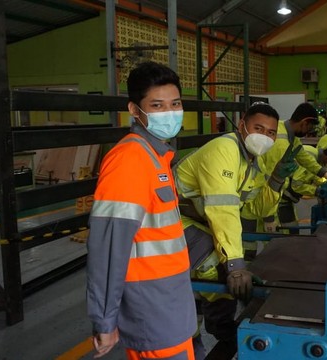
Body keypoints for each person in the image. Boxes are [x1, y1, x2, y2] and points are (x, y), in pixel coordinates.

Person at [86, 61, 196, 359]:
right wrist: (105, 320)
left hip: (171, 304)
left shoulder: (157, 156)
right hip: (152, 310)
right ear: (135, 110)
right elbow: (108, 247)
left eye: (175, 103)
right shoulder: (130, 160)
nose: (169, 112)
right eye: (157, 105)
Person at [173, 102, 291, 360]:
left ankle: (207, 316)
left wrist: (277, 179)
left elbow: (253, 210)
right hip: (168, 219)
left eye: (270, 132)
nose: (264, 136)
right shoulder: (224, 149)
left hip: (195, 221)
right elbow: (223, 209)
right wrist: (236, 265)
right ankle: (222, 327)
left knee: (218, 258)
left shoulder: (252, 162)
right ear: (242, 126)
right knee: (215, 260)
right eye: (258, 128)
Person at [243, 102, 327, 233]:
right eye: (309, 128)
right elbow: (270, 180)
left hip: (276, 197)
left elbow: (304, 158)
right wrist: (268, 217)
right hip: (263, 199)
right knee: (269, 241)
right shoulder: (280, 144)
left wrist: (326, 174)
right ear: (304, 122)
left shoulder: (287, 133)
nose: (308, 132)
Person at [277, 143, 327, 234]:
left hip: (283, 195)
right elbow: (297, 185)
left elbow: (312, 175)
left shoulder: (313, 154)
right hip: (278, 196)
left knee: (292, 229)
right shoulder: (311, 157)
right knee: (289, 232)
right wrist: (317, 191)